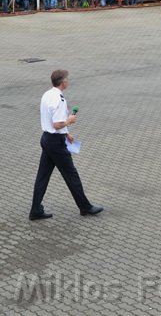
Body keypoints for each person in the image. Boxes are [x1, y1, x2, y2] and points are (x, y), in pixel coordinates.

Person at [29, 69, 103, 220]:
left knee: (42, 176)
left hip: (47, 139)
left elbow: (51, 120)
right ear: (63, 82)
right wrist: (69, 121)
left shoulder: (48, 94)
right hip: (55, 143)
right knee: (71, 175)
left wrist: (66, 132)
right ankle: (85, 207)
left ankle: (36, 209)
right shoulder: (59, 100)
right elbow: (57, 124)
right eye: (67, 79)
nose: (68, 81)